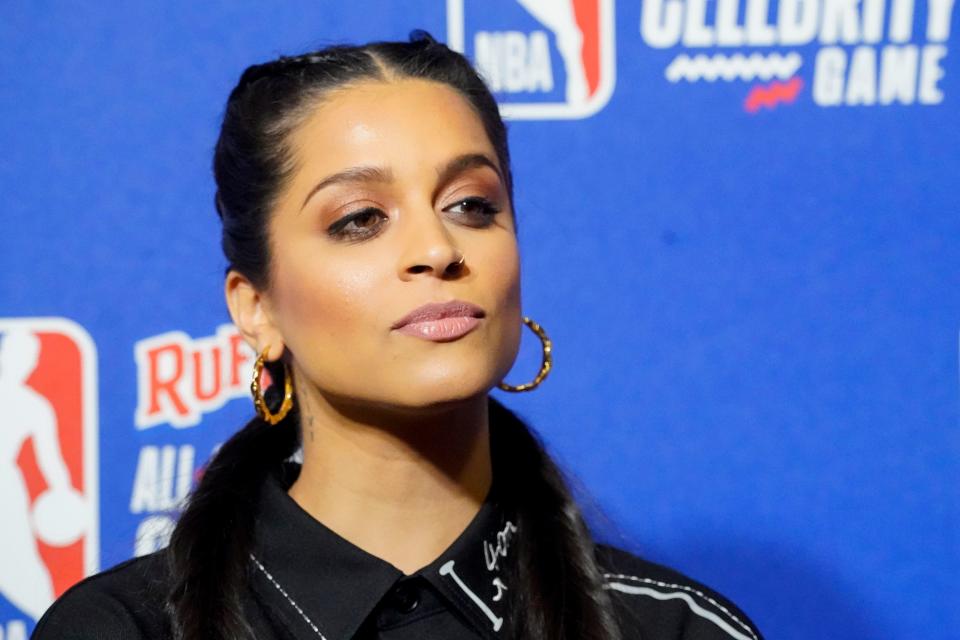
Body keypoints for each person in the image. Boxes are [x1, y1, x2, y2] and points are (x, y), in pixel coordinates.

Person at [31, 31, 764, 640]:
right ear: (257, 308)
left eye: (472, 205)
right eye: (360, 219)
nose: (439, 249)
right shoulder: (117, 629)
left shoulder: (675, 629)